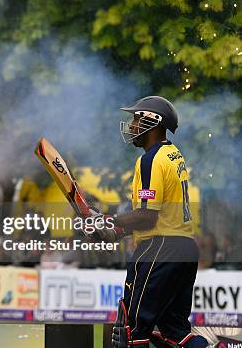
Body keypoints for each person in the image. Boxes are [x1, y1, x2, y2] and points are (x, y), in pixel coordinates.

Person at [87, 96, 211, 348]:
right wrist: (116, 231)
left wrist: (107, 221)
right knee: (176, 333)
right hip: (184, 249)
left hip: (160, 249)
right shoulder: (174, 154)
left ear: (152, 122)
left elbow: (147, 216)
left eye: (135, 118)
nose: (131, 125)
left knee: (131, 331)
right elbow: (157, 214)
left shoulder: (150, 159)